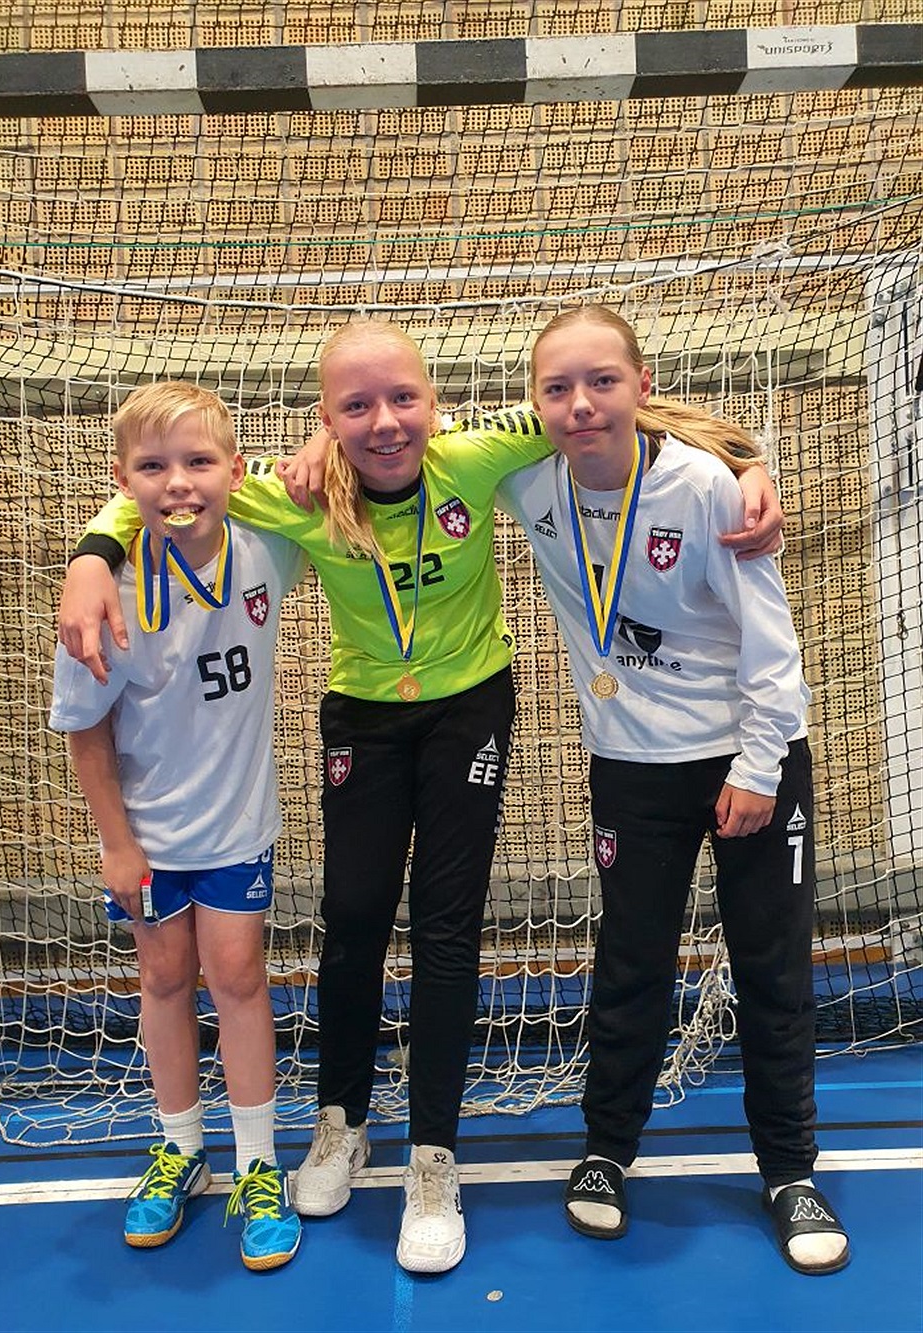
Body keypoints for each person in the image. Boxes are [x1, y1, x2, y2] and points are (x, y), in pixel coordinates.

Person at [57, 319, 783, 1275]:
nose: (385, 421)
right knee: (354, 916)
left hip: (467, 709)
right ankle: (340, 1121)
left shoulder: (475, 455)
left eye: (403, 398)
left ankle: (433, 1156)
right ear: (327, 419)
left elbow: (608, 412)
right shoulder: (293, 489)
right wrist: (90, 556)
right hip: (362, 714)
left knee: (447, 926)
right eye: (356, 406)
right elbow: (167, 484)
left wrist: (745, 460)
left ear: (436, 405)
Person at [494, 304, 849, 1275]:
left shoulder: (705, 487)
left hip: (750, 758)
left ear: (641, 385)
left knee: (771, 968)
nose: (580, 403)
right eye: (557, 387)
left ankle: (789, 1170)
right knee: (632, 963)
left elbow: (773, 646)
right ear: (535, 402)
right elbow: (403, 441)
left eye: (602, 381)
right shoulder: (525, 479)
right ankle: (607, 1149)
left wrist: (756, 768)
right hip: (630, 765)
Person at [49, 383, 307, 1271]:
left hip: (236, 826)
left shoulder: (268, 546)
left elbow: (326, 478)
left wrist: (315, 449)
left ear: (234, 469)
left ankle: (258, 1163)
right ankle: (180, 1145)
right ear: (123, 482)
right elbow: (86, 731)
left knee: (237, 976)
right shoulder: (106, 593)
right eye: (153, 466)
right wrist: (118, 844)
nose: (178, 482)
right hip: (151, 839)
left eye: (199, 461)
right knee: (163, 978)